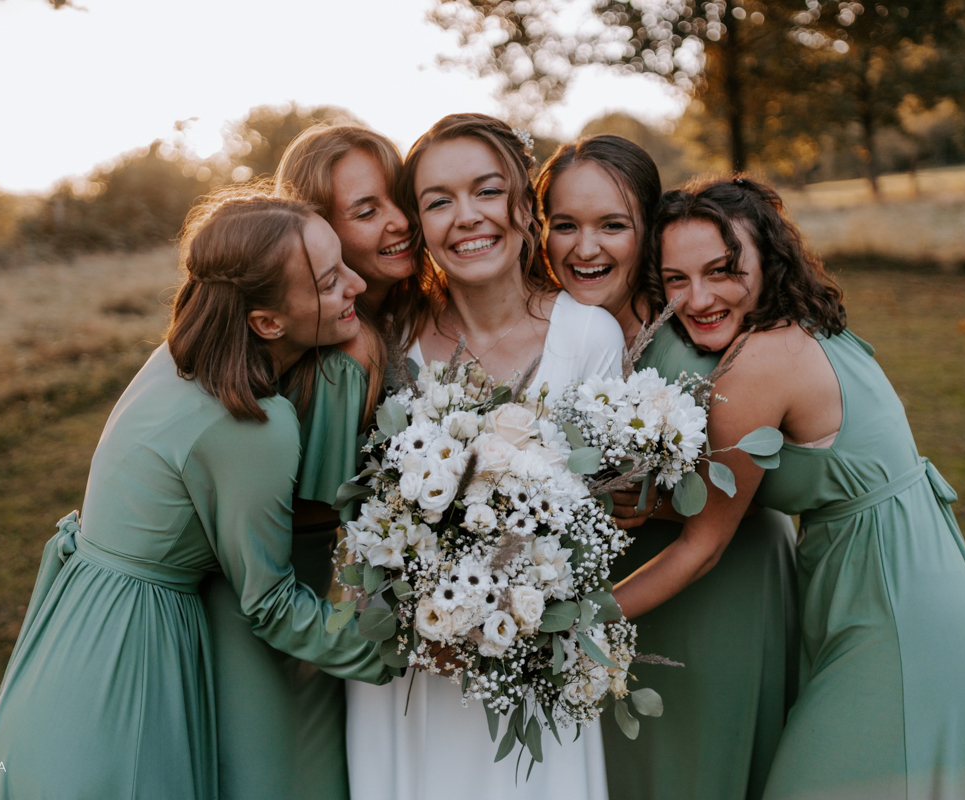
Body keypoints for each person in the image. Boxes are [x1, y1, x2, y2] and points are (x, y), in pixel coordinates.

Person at [611, 176, 965, 799]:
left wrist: (572, 624)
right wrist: (652, 498)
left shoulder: (758, 364)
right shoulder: (805, 322)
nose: (697, 298)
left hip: (898, 612)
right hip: (905, 578)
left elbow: (704, 546)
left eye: (722, 269)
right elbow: (749, 487)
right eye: (677, 279)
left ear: (767, 260)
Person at [0, 188, 390, 800]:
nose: (357, 285)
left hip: (71, 631)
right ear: (268, 322)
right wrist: (399, 649)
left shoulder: (175, 357)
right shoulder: (254, 421)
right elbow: (270, 603)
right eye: (330, 282)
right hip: (131, 658)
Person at [345, 113, 624, 800]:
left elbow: (608, 521)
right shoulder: (386, 344)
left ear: (524, 207)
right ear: (419, 223)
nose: (466, 218)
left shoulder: (589, 335)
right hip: (411, 673)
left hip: (529, 661)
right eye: (439, 201)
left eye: (486, 191)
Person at [537, 137, 799, 800]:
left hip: (724, 581)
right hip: (614, 584)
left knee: (704, 767)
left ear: (649, 232)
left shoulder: (706, 327)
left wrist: (657, 500)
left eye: (612, 226)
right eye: (564, 225)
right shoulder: (550, 334)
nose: (584, 248)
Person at [201, 125, 422, 800]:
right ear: (316, 236)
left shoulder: (378, 321)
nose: (399, 222)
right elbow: (325, 516)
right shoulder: (345, 360)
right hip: (296, 606)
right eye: (366, 211)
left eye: (398, 199)